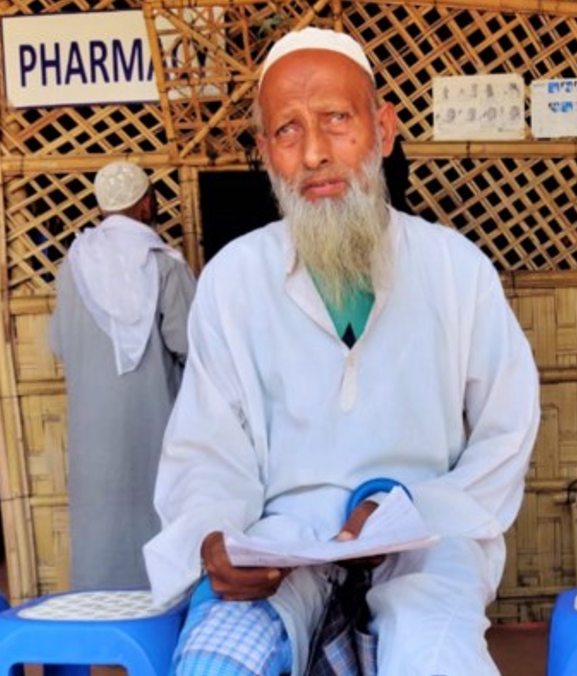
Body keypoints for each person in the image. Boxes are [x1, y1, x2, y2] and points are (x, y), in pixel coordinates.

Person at [145, 28, 540, 676]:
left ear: (382, 130)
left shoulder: (453, 267)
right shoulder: (235, 277)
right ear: (266, 153)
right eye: (288, 131)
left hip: (423, 537)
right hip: (282, 540)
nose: (315, 153)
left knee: (433, 659)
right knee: (215, 663)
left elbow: (507, 427)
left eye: (336, 119)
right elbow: (209, 448)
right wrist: (212, 536)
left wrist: (407, 508)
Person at [50, 161, 196, 590]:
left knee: (98, 524)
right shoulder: (162, 264)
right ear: (147, 202)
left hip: (89, 429)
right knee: (157, 514)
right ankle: (155, 618)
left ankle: (98, 617)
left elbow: (59, 342)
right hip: (155, 422)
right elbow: (192, 345)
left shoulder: (72, 267)